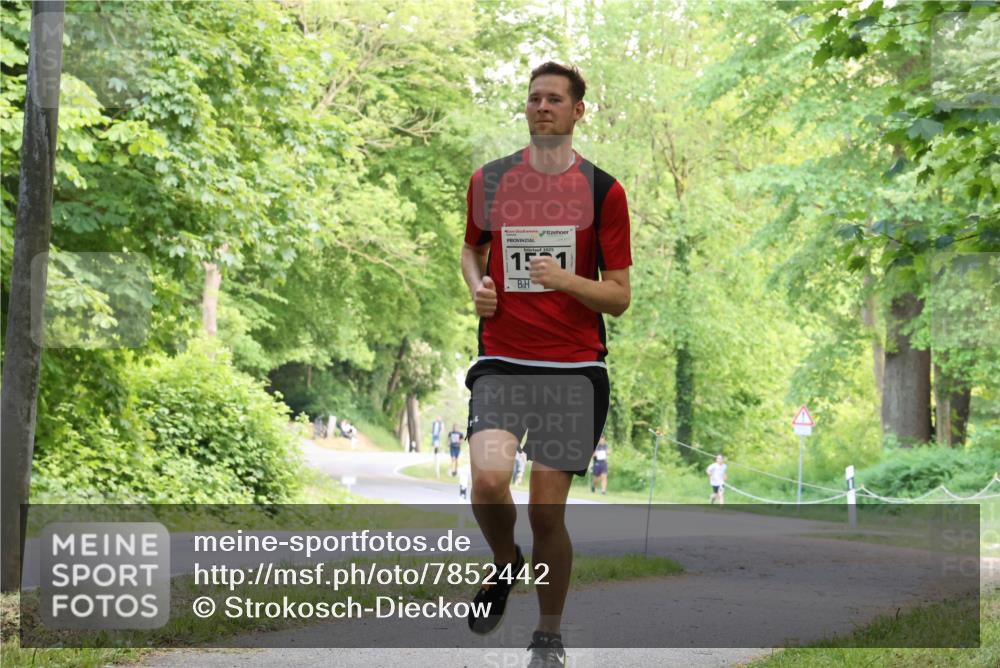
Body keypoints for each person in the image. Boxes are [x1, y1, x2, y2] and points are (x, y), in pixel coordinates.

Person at [460, 61, 632, 668]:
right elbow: (471, 250)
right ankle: (506, 563)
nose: (541, 108)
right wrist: (479, 285)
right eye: (534, 98)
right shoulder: (491, 179)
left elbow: (619, 295)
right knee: (485, 479)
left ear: (578, 110)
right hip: (503, 360)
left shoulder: (603, 191)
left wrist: (565, 280)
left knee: (545, 509)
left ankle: (549, 635)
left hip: (574, 368)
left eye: (554, 99)